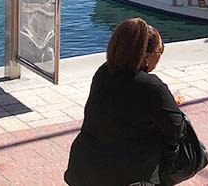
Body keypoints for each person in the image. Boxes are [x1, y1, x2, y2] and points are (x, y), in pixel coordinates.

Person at [65, 18, 186, 186]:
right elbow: (176, 129)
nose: (160, 56)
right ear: (146, 56)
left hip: (85, 167)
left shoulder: (103, 73)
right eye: (160, 50)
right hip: (128, 174)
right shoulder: (151, 86)